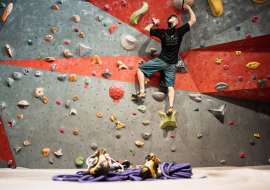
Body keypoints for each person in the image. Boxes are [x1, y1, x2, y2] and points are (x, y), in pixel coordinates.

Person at [132, 4, 196, 115]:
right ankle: (166, 105)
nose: (174, 19)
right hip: (170, 64)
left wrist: (154, 23)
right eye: (173, 18)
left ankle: (147, 94)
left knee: (142, 71)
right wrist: (189, 9)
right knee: (169, 86)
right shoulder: (172, 31)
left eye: (175, 18)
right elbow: (193, 19)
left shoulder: (171, 32)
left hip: (164, 62)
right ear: (172, 22)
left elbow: (146, 29)